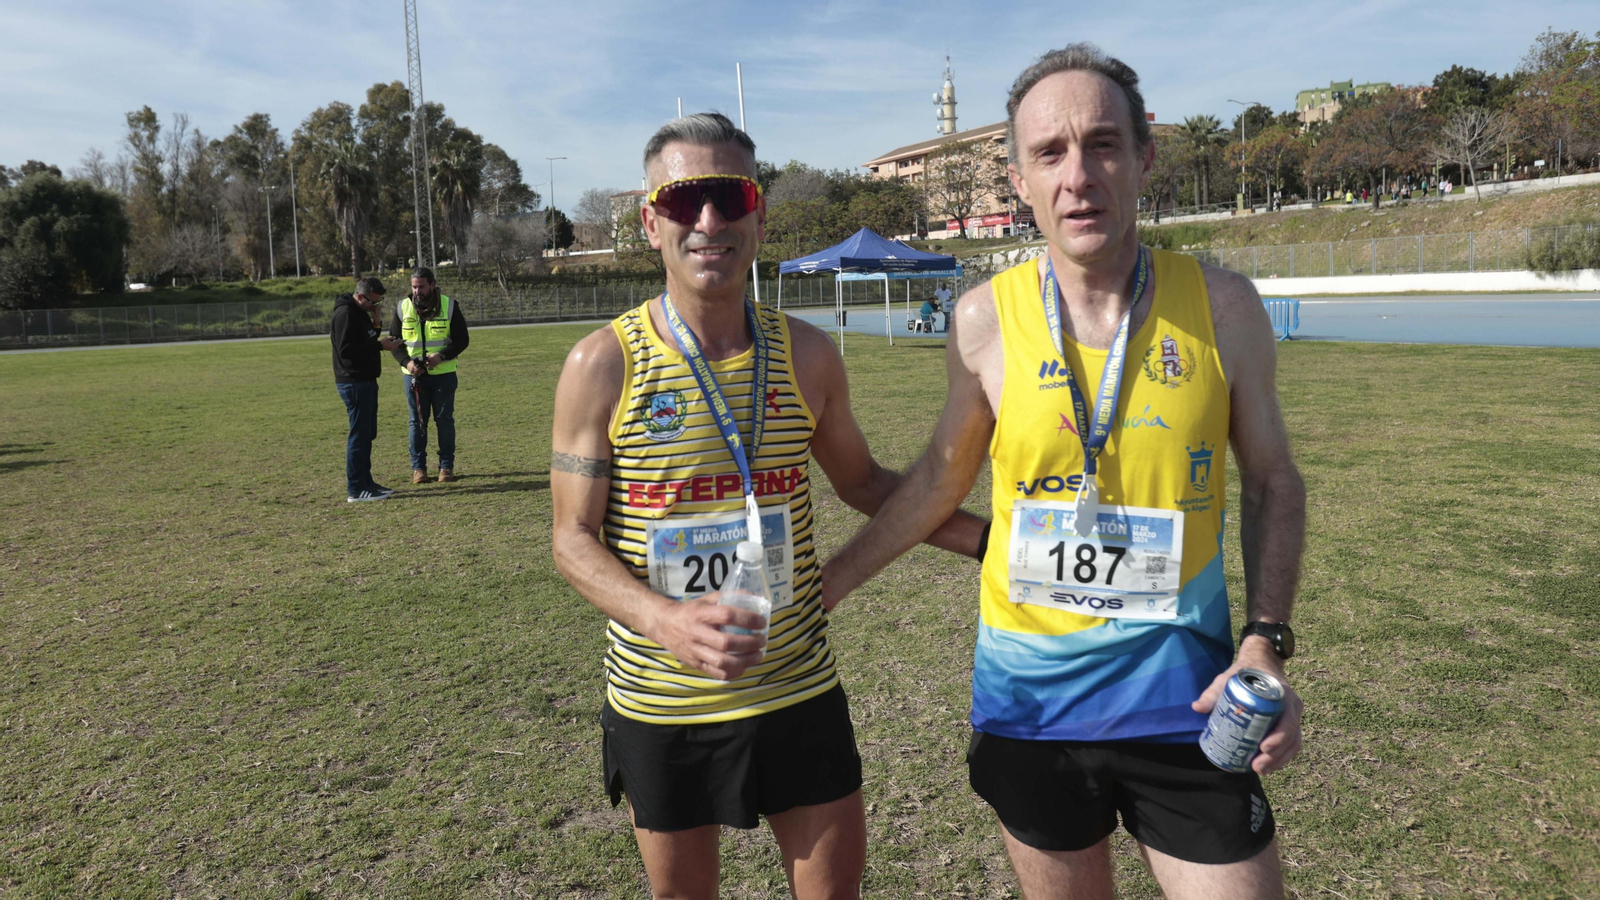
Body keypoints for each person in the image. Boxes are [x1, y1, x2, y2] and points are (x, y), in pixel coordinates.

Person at [820, 44, 1306, 900]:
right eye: (1050, 152)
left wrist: (1266, 642)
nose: (1078, 175)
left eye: (1103, 145)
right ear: (1017, 178)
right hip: (1032, 708)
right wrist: (826, 588)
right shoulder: (983, 320)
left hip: (1186, 706)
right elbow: (939, 480)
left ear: (1145, 157)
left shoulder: (1223, 306)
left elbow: (1273, 479)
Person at [549, 112, 982, 900]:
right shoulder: (602, 364)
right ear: (651, 222)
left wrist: (992, 541)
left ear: (758, 212)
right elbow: (572, 540)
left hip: (796, 686)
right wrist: (665, 620)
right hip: (663, 698)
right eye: (683, 201)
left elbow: (866, 486)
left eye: (728, 196)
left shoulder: (807, 354)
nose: (708, 221)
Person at [389, 267, 469, 483]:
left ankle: (446, 468)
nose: (417, 291)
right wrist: (407, 363)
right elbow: (394, 343)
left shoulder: (449, 306)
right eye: (414, 286)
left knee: (444, 421)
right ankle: (419, 469)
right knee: (417, 422)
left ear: (432, 285)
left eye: (421, 286)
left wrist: (441, 356)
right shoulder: (402, 307)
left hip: (443, 375)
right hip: (414, 377)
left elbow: (462, 340)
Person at [330, 276, 404, 503]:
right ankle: (356, 489)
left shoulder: (360, 312)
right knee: (359, 436)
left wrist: (377, 321)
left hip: (366, 381)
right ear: (360, 296)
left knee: (367, 434)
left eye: (379, 303)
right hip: (354, 382)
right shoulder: (345, 314)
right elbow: (346, 351)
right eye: (373, 302)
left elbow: (367, 338)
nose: (376, 306)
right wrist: (379, 345)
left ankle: (366, 482)